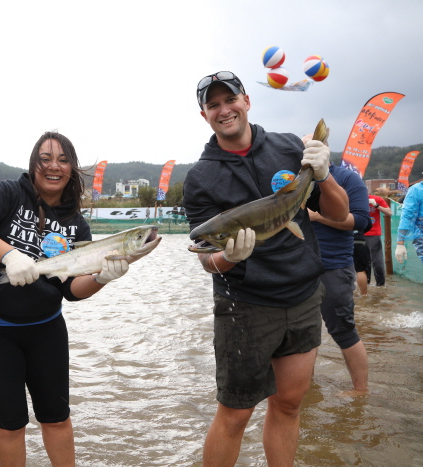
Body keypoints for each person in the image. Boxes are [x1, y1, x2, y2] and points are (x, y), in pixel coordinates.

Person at [183, 71, 348, 466]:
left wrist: (323, 175)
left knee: (290, 404)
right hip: (246, 306)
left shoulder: (290, 146)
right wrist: (230, 257)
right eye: (214, 105)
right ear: (203, 114)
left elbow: (341, 214)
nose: (224, 110)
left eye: (230, 100)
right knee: (235, 413)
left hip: (304, 296)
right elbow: (206, 256)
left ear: (246, 100)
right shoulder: (200, 178)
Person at [0, 131, 131, 467]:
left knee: (57, 418)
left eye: (63, 160)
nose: (54, 166)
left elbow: (72, 291)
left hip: (46, 331)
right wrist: (9, 255)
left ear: (72, 169)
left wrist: (101, 278)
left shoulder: (76, 224)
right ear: (33, 163)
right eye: (45, 158)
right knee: (10, 423)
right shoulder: (9, 193)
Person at [308, 162, 371, 392]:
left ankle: (360, 392)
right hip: (296, 269)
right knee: (303, 333)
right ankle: (306, 390)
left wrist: (318, 216)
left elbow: (362, 221)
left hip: (334, 267)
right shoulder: (291, 179)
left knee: (343, 330)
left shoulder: (347, 179)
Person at [364, 193, 392, 286]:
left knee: (377, 262)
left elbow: (389, 212)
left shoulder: (376, 199)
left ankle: (380, 286)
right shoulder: (353, 198)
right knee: (363, 262)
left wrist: (376, 205)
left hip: (374, 234)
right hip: (357, 234)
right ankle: (365, 286)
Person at [395, 180, 423, 265]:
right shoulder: (417, 190)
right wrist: (400, 242)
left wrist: (400, 242)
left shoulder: (416, 190)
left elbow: (407, 216)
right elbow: (408, 216)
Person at [353, 228, 371, 295]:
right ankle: (364, 295)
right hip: (359, 239)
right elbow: (368, 225)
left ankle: (346, 294)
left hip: (342, 241)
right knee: (361, 270)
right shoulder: (360, 217)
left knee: (341, 268)